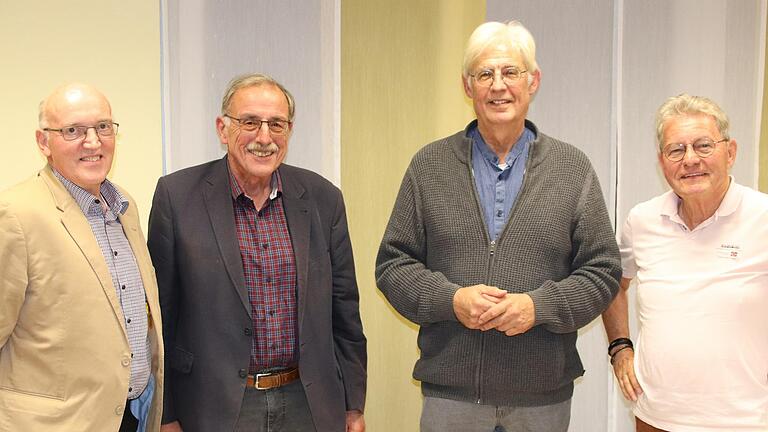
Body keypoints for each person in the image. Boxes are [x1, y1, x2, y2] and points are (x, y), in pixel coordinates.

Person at [376, 20, 621, 432]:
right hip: (450, 398)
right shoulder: (428, 166)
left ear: (533, 81)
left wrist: (537, 307)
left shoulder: (572, 168)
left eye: (510, 72)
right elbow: (392, 266)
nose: (498, 86)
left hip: (541, 400)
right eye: (484, 74)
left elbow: (603, 271)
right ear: (467, 86)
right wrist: (451, 300)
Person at [148, 73, 366, 432]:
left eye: (276, 124)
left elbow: (345, 313)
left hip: (308, 401)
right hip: (216, 405)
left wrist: (353, 406)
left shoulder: (323, 199)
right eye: (249, 122)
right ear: (222, 129)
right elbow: (162, 319)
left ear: (289, 131)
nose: (264, 137)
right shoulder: (177, 197)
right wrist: (167, 415)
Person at [0, 83, 164, 431]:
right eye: (73, 130)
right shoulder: (16, 214)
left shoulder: (124, 206)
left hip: (130, 416)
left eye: (103, 127)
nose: (93, 142)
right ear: (44, 142)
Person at [602, 94, 768, 431]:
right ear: (662, 162)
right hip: (655, 416)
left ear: (731, 152)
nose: (690, 160)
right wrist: (620, 348)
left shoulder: (762, 217)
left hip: (743, 420)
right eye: (676, 150)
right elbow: (613, 283)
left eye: (703, 146)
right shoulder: (642, 220)